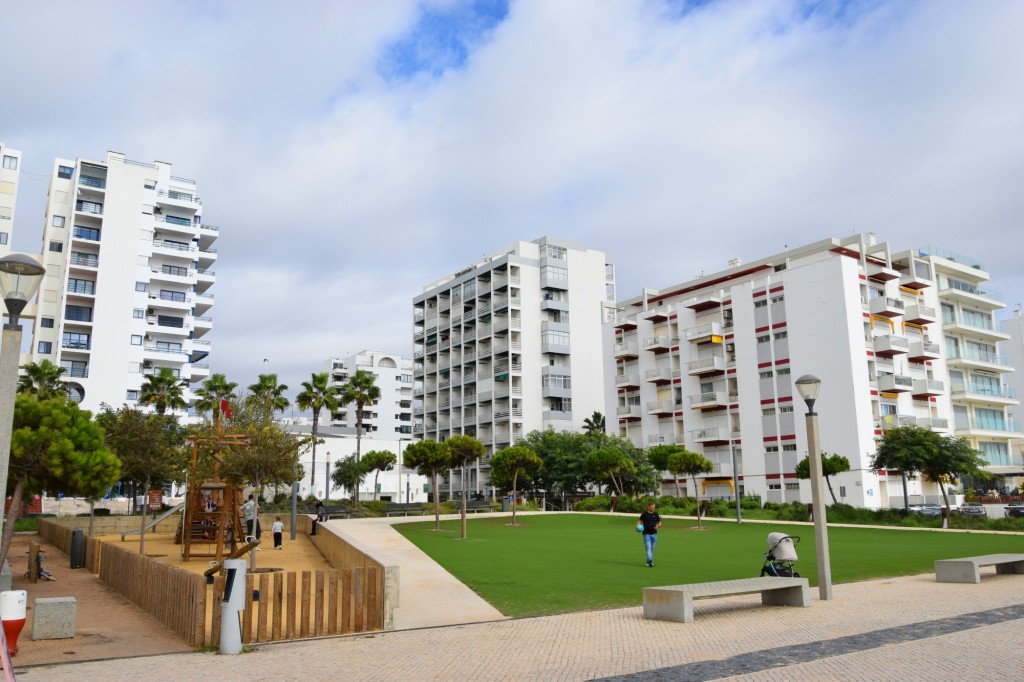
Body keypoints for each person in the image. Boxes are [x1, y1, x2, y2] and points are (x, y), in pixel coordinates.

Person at [638, 501, 662, 567]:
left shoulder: (656, 514)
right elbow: (639, 522)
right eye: (652, 507)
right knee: (648, 548)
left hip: (654, 534)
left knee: (652, 549)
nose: (653, 508)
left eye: (654, 507)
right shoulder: (644, 514)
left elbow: (660, 522)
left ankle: (648, 562)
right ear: (648, 507)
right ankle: (651, 562)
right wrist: (637, 527)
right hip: (646, 534)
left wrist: (658, 526)